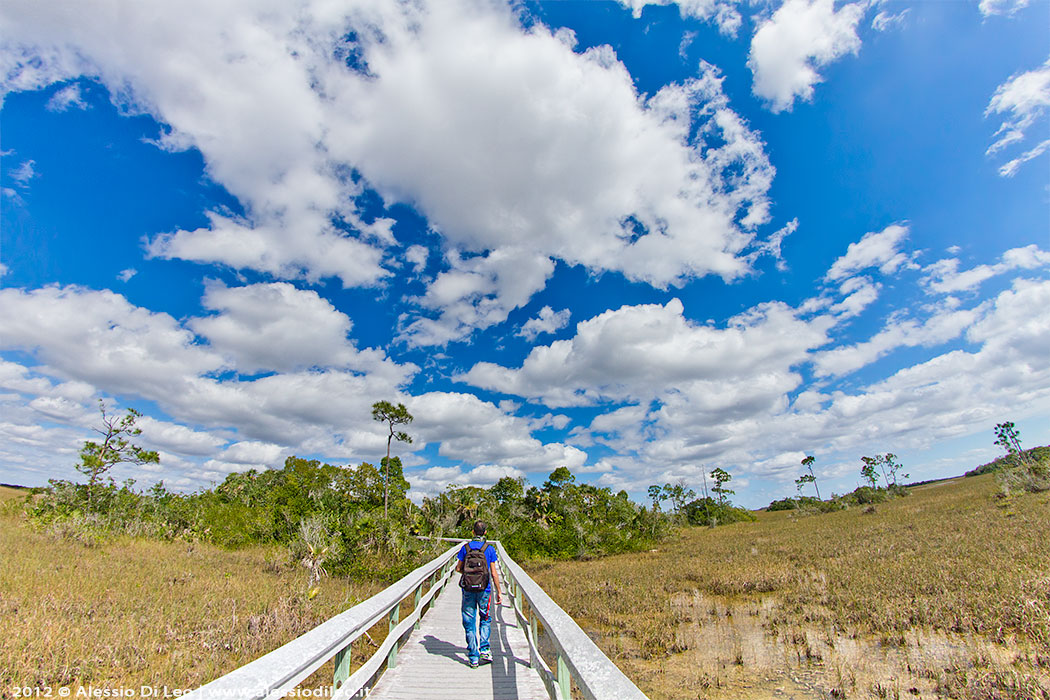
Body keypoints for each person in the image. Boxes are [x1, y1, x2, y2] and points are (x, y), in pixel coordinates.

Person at [456, 520, 503, 668]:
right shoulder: (489, 549)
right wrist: (499, 592)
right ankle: (485, 650)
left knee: (469, 622)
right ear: (485, 532)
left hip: (468, 590)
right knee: (485, 618)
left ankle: (473, 657)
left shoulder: (466, 548)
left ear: (472, 532)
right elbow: (494, 573)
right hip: (485, 589)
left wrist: (469, 574)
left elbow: (458, 568)